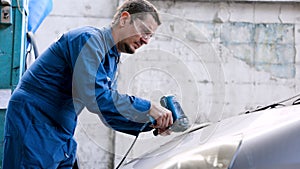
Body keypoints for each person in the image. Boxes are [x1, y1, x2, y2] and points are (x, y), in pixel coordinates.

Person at [2, 0, 173, 168]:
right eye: (144, 31)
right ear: (124, 19)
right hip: (34, 121)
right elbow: (97, 97)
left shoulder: (111, 57)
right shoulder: (88, 39)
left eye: (150, 36)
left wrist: (151, 121)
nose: (146, 41)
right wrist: (148, 108)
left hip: (61, 128)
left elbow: (109, 113)